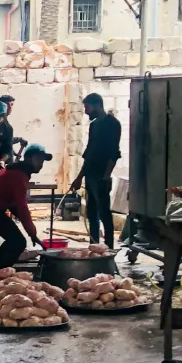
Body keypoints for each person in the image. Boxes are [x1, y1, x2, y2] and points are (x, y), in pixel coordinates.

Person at [0, 144, 52, 272]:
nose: (41, 164)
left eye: (42, 161)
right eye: (38, 159)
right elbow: (21, 206)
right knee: (18, 241)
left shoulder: (19, 171)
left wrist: (32, 233)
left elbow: (14, 205)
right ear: (28, 158)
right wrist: (31, 232)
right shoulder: (18, 175)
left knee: (16, 240)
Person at [69, 93, 122, 249]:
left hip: (101, 175)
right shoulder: (94, 125)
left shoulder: (112, 124)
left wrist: (106, 177)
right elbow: (89, 154)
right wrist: (79, 177)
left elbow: (114, 153)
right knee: (92, 214)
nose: (86, 111)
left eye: (87, 107)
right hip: (91, 174)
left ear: (97, 105)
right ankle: (94, 246)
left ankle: (109, 248)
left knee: (104, 214)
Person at [0, 94, 28, 160]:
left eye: (12, 105)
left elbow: (6, 142)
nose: (10, 107)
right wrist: (19, 139)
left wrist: (13, 152)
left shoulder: (6, 124)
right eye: (8, 104)